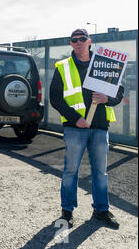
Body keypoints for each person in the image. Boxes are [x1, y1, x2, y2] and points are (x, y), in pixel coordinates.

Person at [50, 28, 124, 229]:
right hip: (75, 128)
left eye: (82, 39)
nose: (78, 42)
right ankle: (67, 211)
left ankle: (101, 210)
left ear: (89, 41)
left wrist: (106, 98)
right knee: (70, 171)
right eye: (74, 40)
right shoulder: (63, 67)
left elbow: (119, 91)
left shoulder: (105, 64)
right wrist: (75, 119)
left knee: (100, 172)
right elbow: (55, 98)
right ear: (71, 44)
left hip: (100, 127)